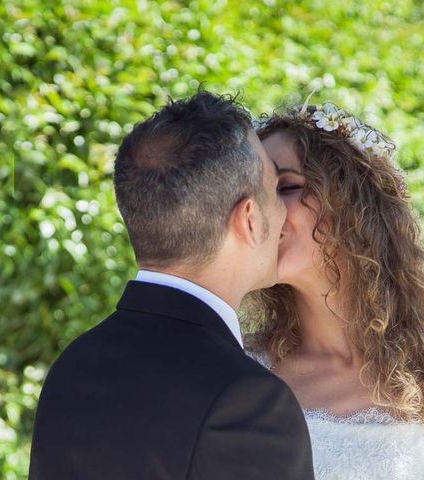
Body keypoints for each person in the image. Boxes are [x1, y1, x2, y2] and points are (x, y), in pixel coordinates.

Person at [28, 92, 315, 480]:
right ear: (247, 218)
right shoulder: (247, 401)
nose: (284, 210)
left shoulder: (73, 367)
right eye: (276, 188)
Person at [244, 102, 424, 479]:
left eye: (286, 187)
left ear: (352, 205)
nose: (263, 211)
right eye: (254, 194)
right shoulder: (245, 371)